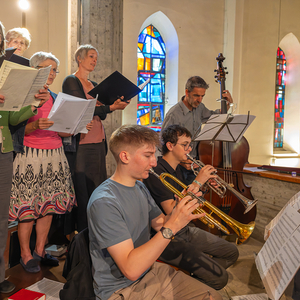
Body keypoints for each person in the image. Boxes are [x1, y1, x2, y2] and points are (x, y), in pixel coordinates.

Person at [87, 124, 223, 300]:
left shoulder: (139, 186)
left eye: (154, 155)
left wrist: (181, 209)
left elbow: (161, 224)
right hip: (121, 289)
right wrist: (173, 226)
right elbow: (131, 270)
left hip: (150, 271)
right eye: (148, 155)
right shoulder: (104, 202)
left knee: (214, 297)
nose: (154, 162)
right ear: (125, 156)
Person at [143, 124, 239, 290]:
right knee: (219, 278)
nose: (189, 149)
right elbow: (171, 210)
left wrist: (203, 186)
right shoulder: (157, 172)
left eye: (190, 144)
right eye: (185, 145)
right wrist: (198, 182)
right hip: (169, 234)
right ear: (170, 146)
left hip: (185, 228)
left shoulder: (178, 169)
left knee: (232, 252)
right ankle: (190, 286)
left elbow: (190, 201)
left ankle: (195, 279)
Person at [9, 52, 76, 273]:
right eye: (47, 69)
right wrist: (36, 127)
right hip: (30, 155)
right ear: (36, 70)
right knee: (27, 209)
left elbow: (64, 131)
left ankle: (40, 251)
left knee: (47, 207)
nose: (52, 74)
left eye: (55, 70)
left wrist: (74, 127)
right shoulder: (25, 95)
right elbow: (16, 129)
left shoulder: (57, 98)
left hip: (55, 155)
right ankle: (25, 255)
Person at [0, 21, 49, 293]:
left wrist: (34, 103)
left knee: (0, 218)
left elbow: (13, 118)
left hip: (4, 149)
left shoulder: (8, 73)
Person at [62, 44, 130, 232]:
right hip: (81, 143)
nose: (95, 60)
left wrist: (114, 103)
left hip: (98, 141)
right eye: (91, 56)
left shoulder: (93, 85)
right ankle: (82, 233)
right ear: (80, 59)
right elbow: (82, 109)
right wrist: (110, 107)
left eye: (96, 57)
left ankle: (98, 230)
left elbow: (101, 114)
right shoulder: (71, 81)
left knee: (97, 189)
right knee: (82, 191)